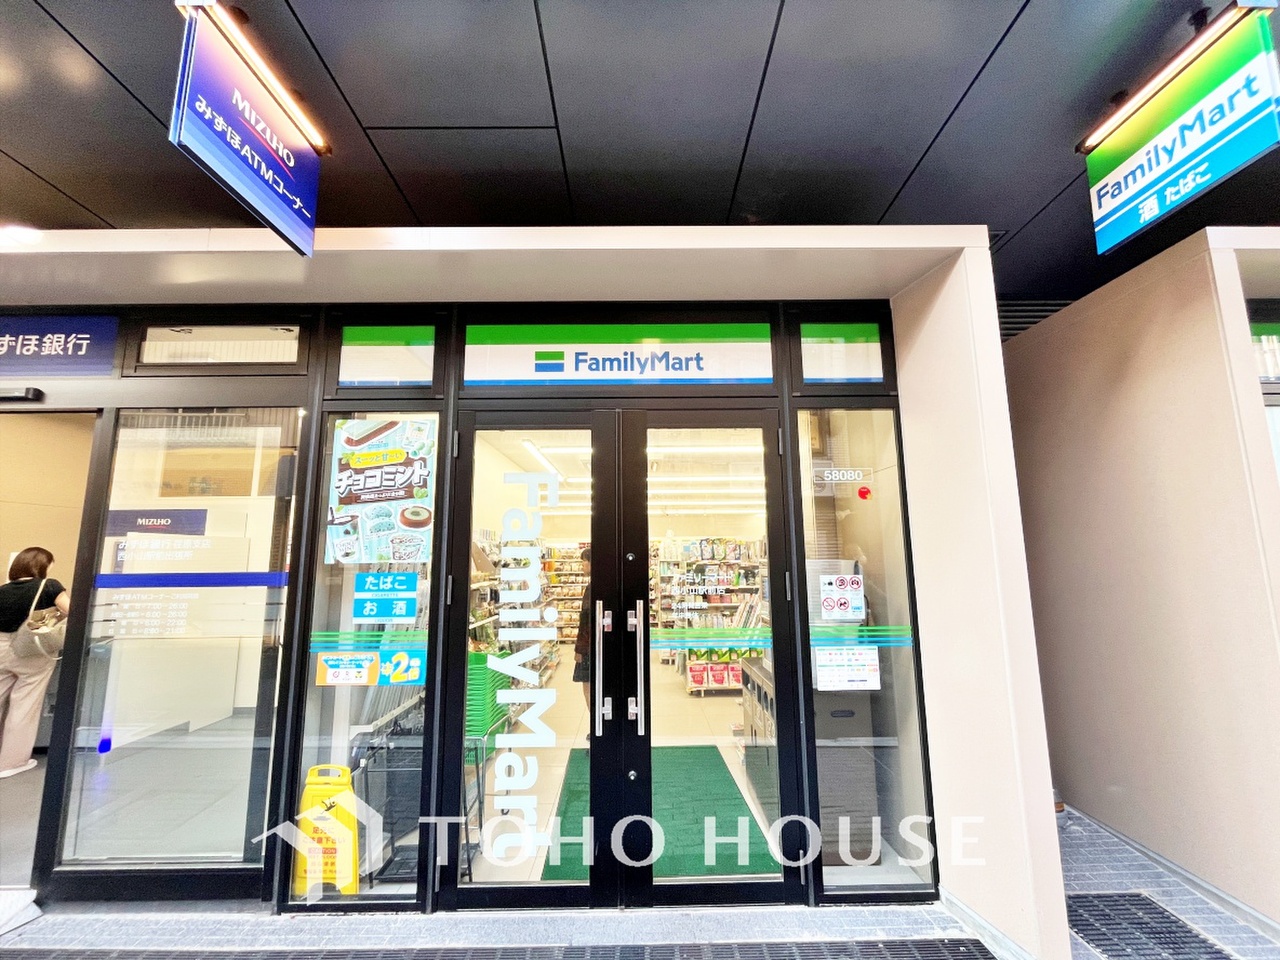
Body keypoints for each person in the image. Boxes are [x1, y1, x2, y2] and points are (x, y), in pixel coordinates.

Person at [0, 547, 71, 779]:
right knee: (24, 706)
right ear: (43, 565)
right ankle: (11, 763)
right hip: (31, 651)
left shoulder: (3, 590)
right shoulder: (49, 586)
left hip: (1, 648)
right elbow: (72, 611)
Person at [572, 547, 593, 708]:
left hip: (588, 647)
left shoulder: (591, 588)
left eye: (584, 561)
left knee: (587, 685)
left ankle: (594, 720)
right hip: (594, 644)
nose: (582, 565)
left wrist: (579, 649)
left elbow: (585, 621)